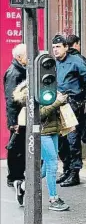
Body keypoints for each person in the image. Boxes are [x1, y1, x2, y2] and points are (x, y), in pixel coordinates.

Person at [52, 35, 86, 187]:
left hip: (72, 104)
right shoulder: (52, 63)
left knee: (72, 139)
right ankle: (67, 170)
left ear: (66, 47)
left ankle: (75, 173)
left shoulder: (75, 61)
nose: (55, 50)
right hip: (56, 104)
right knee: (60, 140)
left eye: (58, 47)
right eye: (54, 47)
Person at [13, 81, 70, 211]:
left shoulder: (49, 88)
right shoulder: (31, 91)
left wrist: (63, 99)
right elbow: (39, 114)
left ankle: (22, 187)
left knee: (46, 166)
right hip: (42, 132)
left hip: (53, 130)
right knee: (52, 164)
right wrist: (58, 101)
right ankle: (53, 199)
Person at [3, 44, 27, 190]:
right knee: (15, 148)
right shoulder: (14, 73)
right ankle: (13, 177)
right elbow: (11, 99)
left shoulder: (22, 70)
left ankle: (18, 175)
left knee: (21, 147)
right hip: (18, 118)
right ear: (19, 57)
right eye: (26, 55)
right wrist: (13, 122)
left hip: (22, 116)